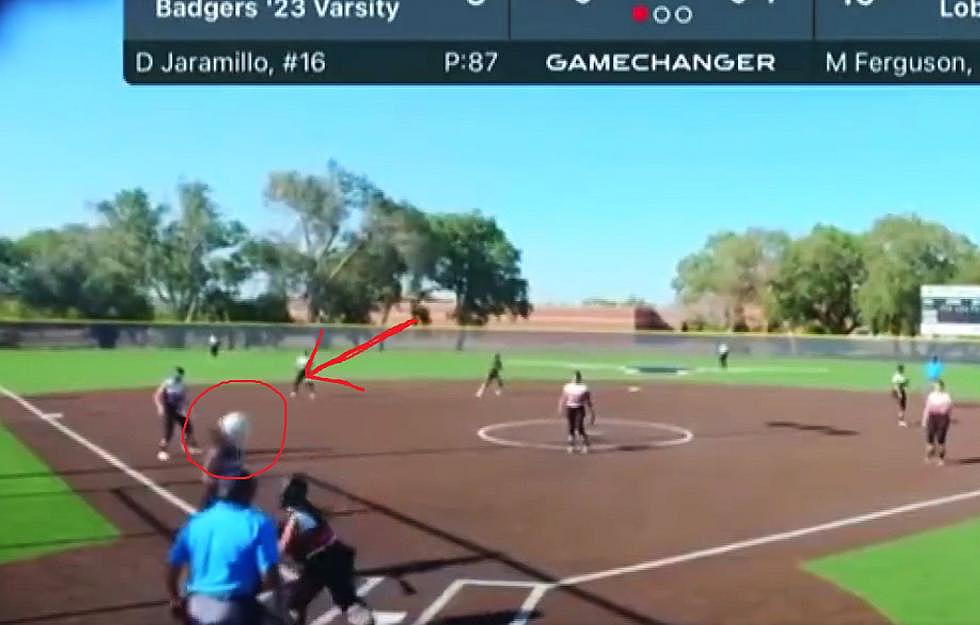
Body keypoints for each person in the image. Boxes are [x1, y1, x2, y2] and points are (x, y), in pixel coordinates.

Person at [167, 470, 288, 625]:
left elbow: (173, 566)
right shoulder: (259, 522)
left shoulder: (196, 521)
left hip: (196, 606)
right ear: (248, 493)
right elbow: (270, 576)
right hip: (234, 608)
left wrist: (175, 599)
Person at [278, 474, 375, 625]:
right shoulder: (307, 509)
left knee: (294, 601)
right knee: (347, 601)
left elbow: (283, 547)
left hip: (322, 562)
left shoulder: (298, 518)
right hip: (336, 557)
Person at [200, 412, 249, 509]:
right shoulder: (219, 451)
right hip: (220, 499)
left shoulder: (234, 450)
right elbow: (207, 477)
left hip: (230, 498)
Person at [153, 366, 201, 461]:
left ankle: (186, 446)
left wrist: (188, 408)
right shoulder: (168, 383)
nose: (179, 376)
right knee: (168, 431)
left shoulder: (183, 384)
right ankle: (162, 452)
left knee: (187, 428)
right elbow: (157, 395)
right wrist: (160, 407)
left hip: (179, 409)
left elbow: (185, 397)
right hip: (169, 409)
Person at [558, 371, 596, 454]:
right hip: (570, 408)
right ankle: (571, 445)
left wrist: (592, 412)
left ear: (580, 378)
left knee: (579, 428)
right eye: (574, 377)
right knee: (571, 428)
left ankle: (586, 445)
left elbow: (588, 401)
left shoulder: (584, 388)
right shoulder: (567, 387)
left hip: (579, 409)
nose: (575, 379)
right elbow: (563, 397)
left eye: (577, 378)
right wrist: (561, 407)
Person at [922, 380, 954, 466]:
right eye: (936, 386)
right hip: (932, 418)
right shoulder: (931, 395)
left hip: (942, 419)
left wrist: (948, 419)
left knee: (941, 440)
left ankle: (941, 459)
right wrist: (924, 419)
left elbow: (950, 409)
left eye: (939, 386)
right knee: (930, 440)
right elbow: (927, 408)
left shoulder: (946, 396)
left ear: (942, 387)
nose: (937, 388)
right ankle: (928, 456)